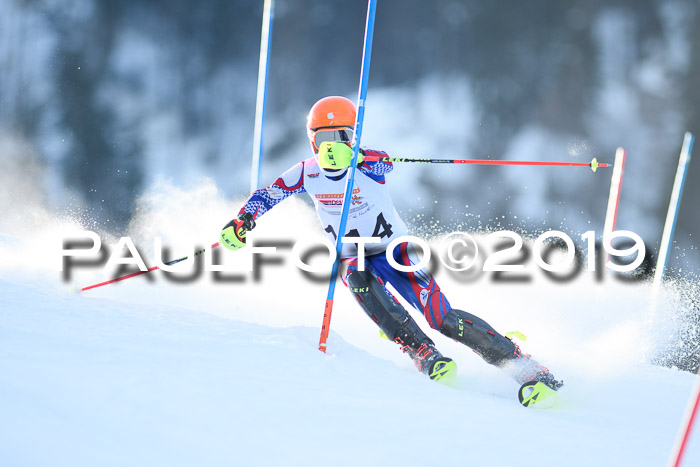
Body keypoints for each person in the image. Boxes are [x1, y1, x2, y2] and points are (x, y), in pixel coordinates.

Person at [221, 96, 563, 405]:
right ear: (312, 141)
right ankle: (420, 350)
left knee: (441, 318)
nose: (331, 147)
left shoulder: (365, 163)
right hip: (353, 255)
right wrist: (243, 220)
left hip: (395, 252)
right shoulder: (306, 172)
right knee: (353, 272)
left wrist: (356, 155)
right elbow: (269, 193)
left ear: (352, 136)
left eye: (340, 136)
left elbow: (383, 163)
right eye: (324, 139)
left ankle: (524, 366)